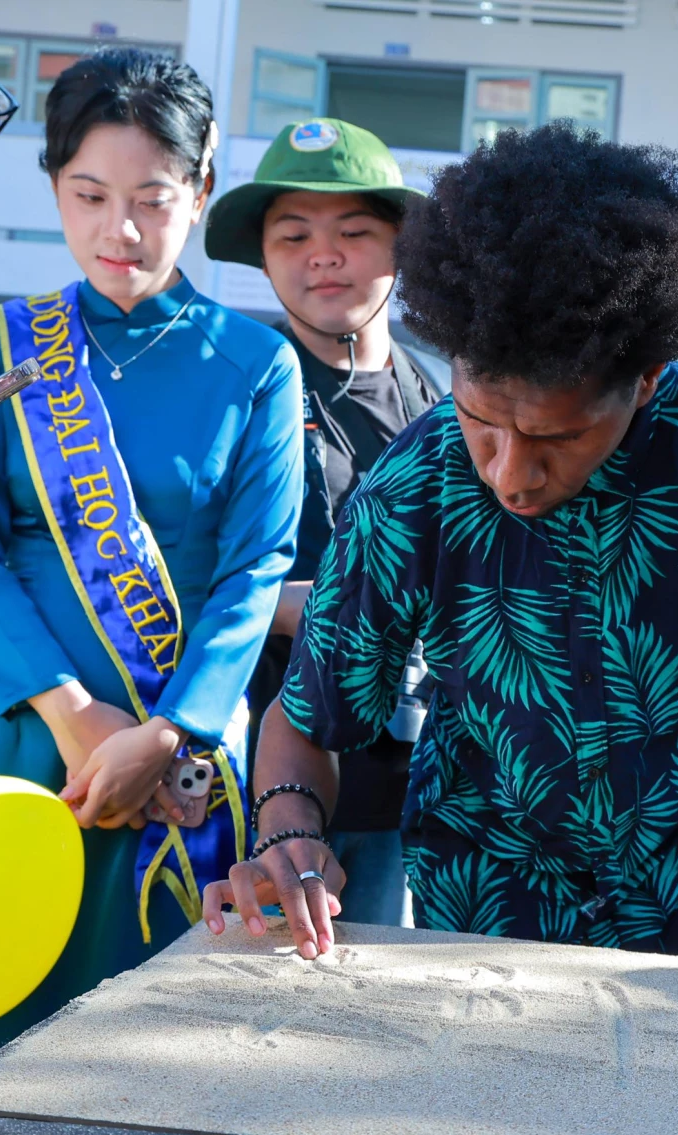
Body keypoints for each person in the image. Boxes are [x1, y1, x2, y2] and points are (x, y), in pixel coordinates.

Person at [201, 124, 678, 1121]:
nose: (509, 473)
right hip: (480, 914)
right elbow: (309, 715)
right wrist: (290, 825)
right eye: (481, 420)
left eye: (555, 435)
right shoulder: (414, 485)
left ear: (644, 378)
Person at [0, 47, 304, 1135]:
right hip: (22, 746)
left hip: (180, 766)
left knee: (151, 1070)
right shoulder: (4, 346)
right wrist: (74, 714)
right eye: (88, 197)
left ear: (201, 189)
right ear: (55, 189)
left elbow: (255, 566)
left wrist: (170, 730)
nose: (118, 230)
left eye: (150, 201)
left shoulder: (257, 364)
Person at [205, 117, 442, 925]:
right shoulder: (241, 386)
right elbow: (196, 590)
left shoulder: (446, 399)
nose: (323, 255)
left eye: (353, 231)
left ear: (401, 243)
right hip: (273, 792)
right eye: (293, 234)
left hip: (417, 790)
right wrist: (350, 607)